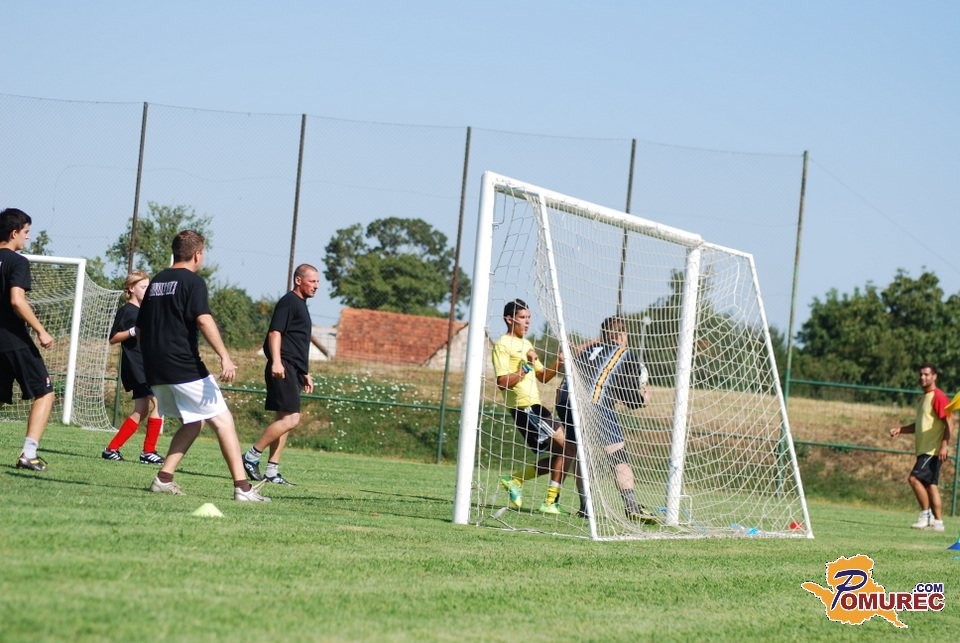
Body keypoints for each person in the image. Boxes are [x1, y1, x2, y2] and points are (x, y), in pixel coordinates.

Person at [137, 229, 268, 502]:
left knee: (194, 422)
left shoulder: (156, 281)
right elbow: (204, 319)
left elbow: (140, 327)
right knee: (223, 421)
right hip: (182, 365)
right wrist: (225, 356)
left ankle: (163, 479)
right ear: (197, 255)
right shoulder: (193, 282)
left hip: (155, 368)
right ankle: (243, 489)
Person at [555, 316, 657, 523]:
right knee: (617, 454)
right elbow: (629, 395)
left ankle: (585, 507)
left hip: (566, 401)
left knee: (582, 454)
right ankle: (632, 506)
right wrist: (642, 400)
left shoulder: (587, 351)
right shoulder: (625, 354)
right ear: (622, 335)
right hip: (595, 403)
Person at [242, 263, 320, 485]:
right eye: (312, 281)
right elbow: (275, 333)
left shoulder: (301, 305)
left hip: (293, 369)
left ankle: (272, 471)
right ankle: (251, 456)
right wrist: (276, 362)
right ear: (298, 280)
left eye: (317, 281)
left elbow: (297, 343)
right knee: (292, 419)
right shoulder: (289, 302)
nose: (316, 286)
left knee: (284, 420)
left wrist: (305, 372)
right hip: (282, 366)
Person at [492, 298, 569, 514]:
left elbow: (543, 376)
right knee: (568, 448)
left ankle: (523, 484)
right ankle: (546, 500)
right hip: (524, 408)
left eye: (529, 318)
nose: (527, 322)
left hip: (535, 406)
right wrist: (525, 367)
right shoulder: (502, 345)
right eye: (522, 317)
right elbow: (502, 382)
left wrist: (558, 363)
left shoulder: (526, 344)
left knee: (566, 452)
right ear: (509, 319)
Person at [0, 208, 55, 471]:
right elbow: (17, 300)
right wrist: (41, 330)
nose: (28, 237)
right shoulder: (17, 262)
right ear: (14, 233)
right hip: (12, 338)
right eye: (26, 232)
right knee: (44, 392)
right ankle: (28, 454)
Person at [101, 270, 165, 464]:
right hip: (138, 365)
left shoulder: (144, 311)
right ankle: (148, 452)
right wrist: (132, 331)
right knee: (160, 403)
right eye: (143, 287)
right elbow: (113, 338)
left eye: (148, 287)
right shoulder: (127, 311)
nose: (147, 290)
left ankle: (111, 449)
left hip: (145, 364)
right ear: (131, 288)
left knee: (141, 410)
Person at [889, 362, 953, 532]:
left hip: (932, 450)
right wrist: (901, 429)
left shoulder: (938, 396)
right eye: (921, 374)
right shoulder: (924, 398)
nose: (922, 377)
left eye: (926, 374)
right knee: (930, 485)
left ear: (934, 376)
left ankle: (926, 515)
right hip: (925, 449)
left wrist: (944, 445)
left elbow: (949, 422)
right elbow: (920, 425)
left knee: (914, 479)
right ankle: (938, 523)